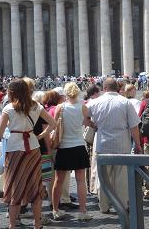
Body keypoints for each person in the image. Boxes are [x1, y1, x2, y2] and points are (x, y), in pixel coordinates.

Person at [0, 79, 56, 229]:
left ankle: (12, 225)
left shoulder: (8, 109)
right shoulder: (36, 106)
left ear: (12, 92)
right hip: (33, 149)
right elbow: (53, 123)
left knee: (14, 186)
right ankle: (37, 224)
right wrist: (40, 135)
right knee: (35, 186)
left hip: (14, 150)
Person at [86, 78, 141, 213]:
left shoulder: (95, 102)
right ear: (117, 88)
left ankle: (104, 206)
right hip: (122, 144)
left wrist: (93, 125)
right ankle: (121, 205)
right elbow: (134, 126)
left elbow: (83, 117)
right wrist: (138, 144)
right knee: (121, 178)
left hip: (102, 144)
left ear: (104, 88)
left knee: (103, 177)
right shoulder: (125, 102)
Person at [52, 82, 92, 221]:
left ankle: (55, 209)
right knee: (81, 181)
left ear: (65, 93)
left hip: (64, 147)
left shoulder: (60, 107)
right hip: (79, 146)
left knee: (58, 181)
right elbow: (88, 123)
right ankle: (83, 211)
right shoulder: (83, 108)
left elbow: (53, 126)